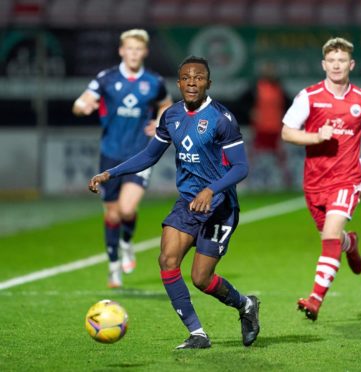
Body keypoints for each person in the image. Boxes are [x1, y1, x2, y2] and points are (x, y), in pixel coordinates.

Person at [88, 56, 260, 350]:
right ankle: (197, 334)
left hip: (220, 208)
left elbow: (240, 167)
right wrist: (110, 173)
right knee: (167, 260)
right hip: (188, 204)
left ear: (208, 83)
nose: (192, 83)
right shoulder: (170, 116)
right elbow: (149, 155)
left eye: (199, 78)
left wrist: (211, 190)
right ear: (179, 82)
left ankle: (246, 306)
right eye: (186, 78)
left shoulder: (222, 118)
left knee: (201, 279)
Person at [281, 37, 361, 320]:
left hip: (347, 179)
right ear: (324, 64)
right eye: (332, 61)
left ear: (351, 64)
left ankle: (315, 299)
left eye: (342, 61)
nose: (337, 66)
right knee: (334, 238)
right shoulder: (309, 97)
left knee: (329, 236)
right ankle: (350, 243)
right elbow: (287, 132)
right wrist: (316, 136)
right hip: (314, 182)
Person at [73, 29, 173, 288]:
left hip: (141, 154)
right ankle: (114, 267)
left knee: (128, 209)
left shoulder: (153, 81)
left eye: (138, 49)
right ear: (121, 50)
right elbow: (82, 101)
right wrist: (82, 107)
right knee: (113, 214)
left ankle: (127, 244)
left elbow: (166, 103)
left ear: (145, 52)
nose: (133, 53)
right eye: (129, 49)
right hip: (110, 154)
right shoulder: (106, 79)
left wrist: (160, 121)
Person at [243, 62, 291, 189]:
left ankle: (288, 182)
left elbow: (289, 105)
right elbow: (241, 103)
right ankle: (245, 182)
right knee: (252, 157)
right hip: (260, 128)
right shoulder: (255, 88)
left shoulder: (279, 88)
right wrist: (250, 112)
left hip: (276, 129)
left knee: (281, 158)